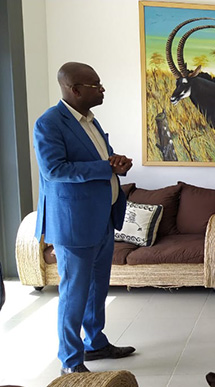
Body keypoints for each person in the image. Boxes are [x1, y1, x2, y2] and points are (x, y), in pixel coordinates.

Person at [33, 62, 136, 375]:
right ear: (74, 89)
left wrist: (117, 163)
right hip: (74, 224)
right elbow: (55, 170)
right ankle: (70, 361)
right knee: (74, 294)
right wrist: (106, 167)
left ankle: (95, 343)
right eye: (95, 85)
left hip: (102, 218)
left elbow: (100, 159)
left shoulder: (90, 120)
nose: (102, 89)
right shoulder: (49, 123)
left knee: (97, 289)